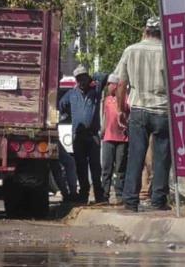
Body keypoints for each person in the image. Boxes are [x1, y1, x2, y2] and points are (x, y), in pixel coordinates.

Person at [116, 17, 171, 212]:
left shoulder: (131, 51)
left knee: (135, 156)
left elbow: (121, 84)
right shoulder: (168, 52)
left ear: (145, 31)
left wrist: (121, 110)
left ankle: (130, 201)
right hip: (163, 110)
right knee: (162, 157)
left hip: (139, 109)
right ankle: (158, 200)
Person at [58, 65, 106, 204]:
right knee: (81, 167)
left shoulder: (95, 90)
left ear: (87, 77)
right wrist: (66, 112)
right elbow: (61, 105)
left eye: (84, 77)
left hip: (92, 136)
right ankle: (83, 195)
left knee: (96, 167)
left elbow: (103, 76)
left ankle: (99, 195)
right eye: (79, 79)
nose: (82, 81)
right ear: (76, 80)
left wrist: (93, 78)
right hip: (78, 136)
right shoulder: (71, 94)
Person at [100, 73, 129, 204]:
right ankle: (104, 195)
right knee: (106, 168)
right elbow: (105, 117)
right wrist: (103, 130)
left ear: (116, 85)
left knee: (120, 168)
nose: (108, 87)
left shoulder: (125, 99)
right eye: (108, 85)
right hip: (108, 138)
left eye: (110, 84)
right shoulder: (106, 100)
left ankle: (119, 194)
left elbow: (128, 112)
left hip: (122, 138)